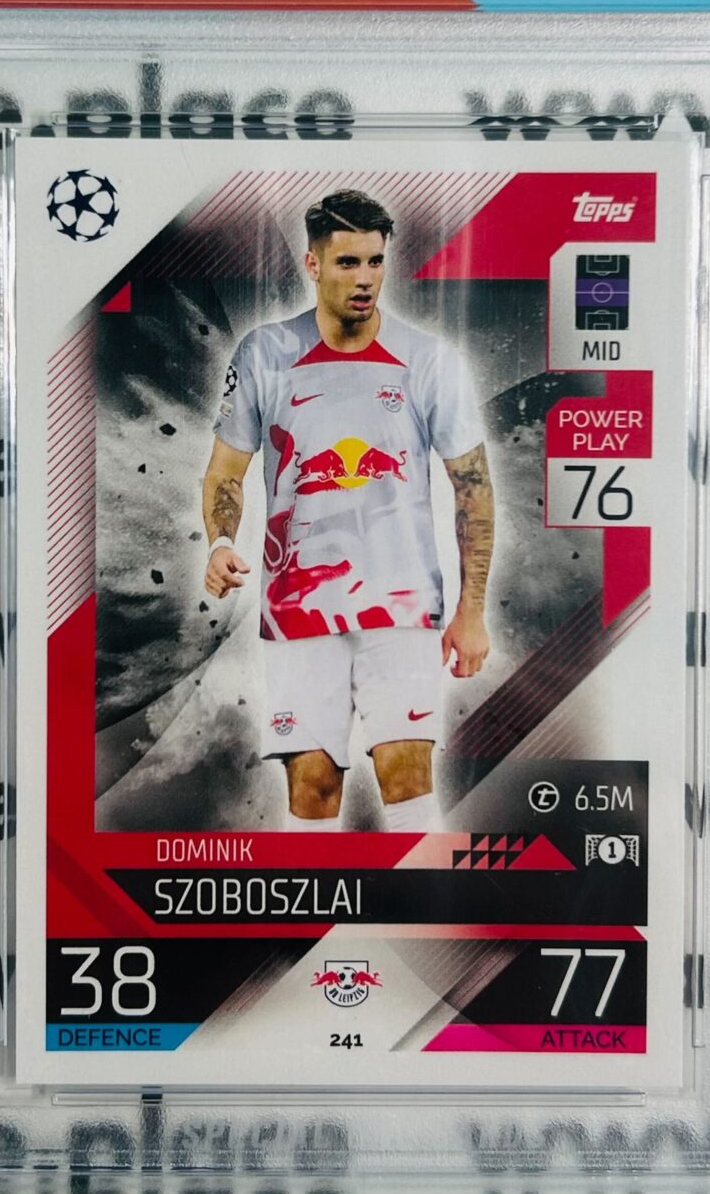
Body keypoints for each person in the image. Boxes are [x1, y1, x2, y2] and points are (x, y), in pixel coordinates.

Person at [200, 189, 495, 832]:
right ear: (312, 264)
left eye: (375, 262)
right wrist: (221, 543)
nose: (365, 278)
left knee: (407, 775)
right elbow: (226, 471)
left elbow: (472, 486)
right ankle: (311, 902)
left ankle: (421, 900)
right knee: (312, 788)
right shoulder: (265, 353)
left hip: (402, 604)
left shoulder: (430, 361)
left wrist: (471, 611)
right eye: (347, 263)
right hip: (299, 606)